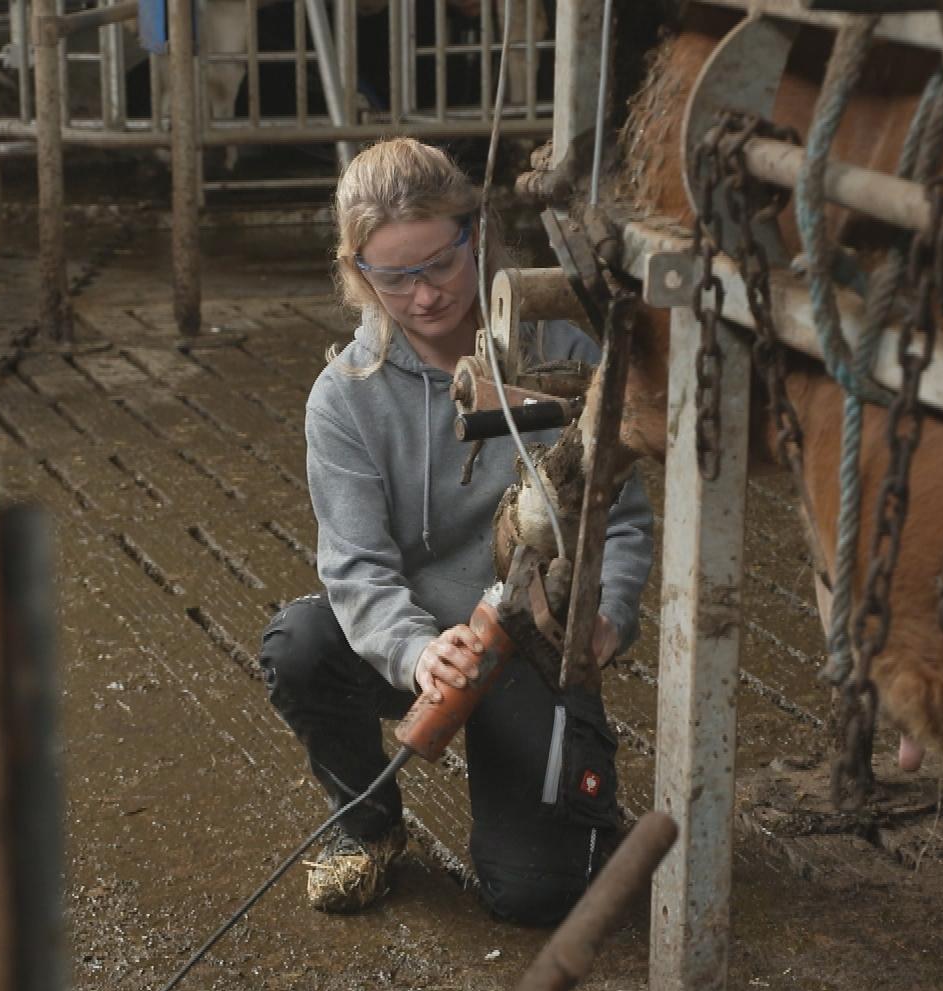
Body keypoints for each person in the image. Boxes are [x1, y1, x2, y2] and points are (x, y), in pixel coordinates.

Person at [257, 138, 654, 926]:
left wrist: (608, 608)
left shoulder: (565, 351)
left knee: (537, 896)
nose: (425, 295)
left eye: (439, 263)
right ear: (356, 272)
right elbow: (358, 568)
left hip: (531, 635)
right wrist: (414, 652)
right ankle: (368, 828)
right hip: (426, 643)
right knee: (299, 643)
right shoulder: (344, 397)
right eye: (391, 276)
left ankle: (577, 812)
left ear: (478, 233)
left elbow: (627, 515)